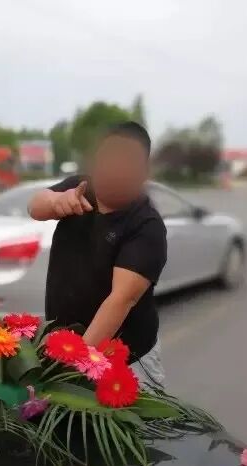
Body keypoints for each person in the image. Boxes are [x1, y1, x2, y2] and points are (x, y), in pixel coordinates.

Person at [28, 121, 167, 387]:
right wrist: (56, 201)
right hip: (65, 346)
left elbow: (120, 300)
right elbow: (35, 206)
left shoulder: (146, 226)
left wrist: (73, 367)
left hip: (126, 363)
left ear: (143, 172)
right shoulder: (79, 188)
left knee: (125, 414)